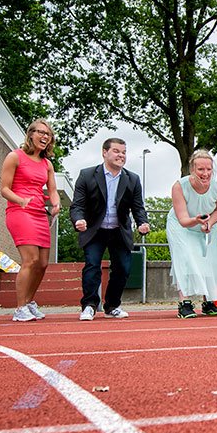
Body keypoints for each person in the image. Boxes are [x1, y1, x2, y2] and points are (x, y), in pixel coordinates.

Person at [69, 137, 150, 320]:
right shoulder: (87, 175)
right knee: (92, 265)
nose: (121, 155)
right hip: (94, 230)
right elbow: (77, 205)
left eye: (124, 152)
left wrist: (142, 223)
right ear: (104, 152)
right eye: (116, 151)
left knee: (123, 267)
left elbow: (138, 207)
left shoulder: (132, 179)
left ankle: (112, 305)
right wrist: (78, 220)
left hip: (118, 230)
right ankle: (89, 305)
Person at [0, 119, 60, 322]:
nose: (45, 137)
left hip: (39, 213)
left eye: (48, 135)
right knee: (31, 259)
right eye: (41, 133)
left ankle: (29, 301)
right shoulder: (14, 157)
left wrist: (56, 203)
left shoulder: (47, 164)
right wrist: (20, 200)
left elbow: (52, 190)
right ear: (31, 134)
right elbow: (4, 189)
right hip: (19, 211)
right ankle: (19, 308)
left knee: (42, 263)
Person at [166, 149, 217, 318]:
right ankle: (185, 303)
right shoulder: (179, 186)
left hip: (204, 225)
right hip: (180, 226)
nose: (205, 174)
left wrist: (209, 223)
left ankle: (209, 302)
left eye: (209, 169)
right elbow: (182, 219)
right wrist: (197, 221)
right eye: (200, 170)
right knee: (185, 259)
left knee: (209, 260)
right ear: (192, 170)